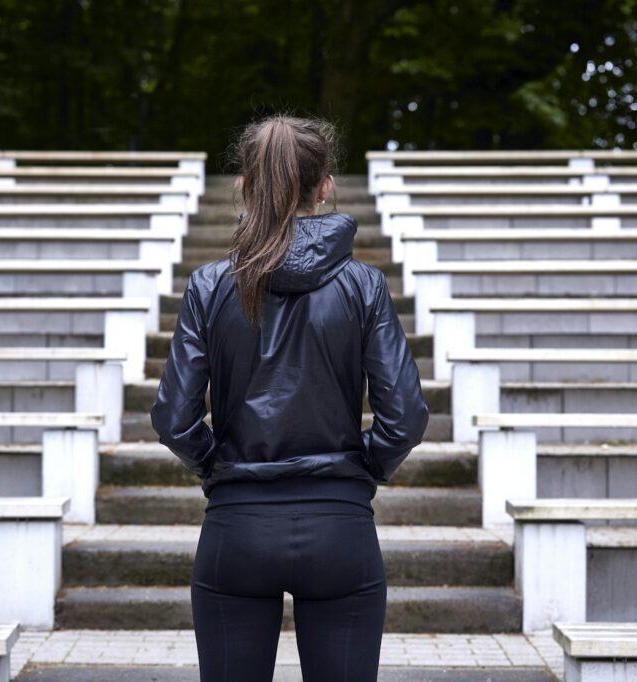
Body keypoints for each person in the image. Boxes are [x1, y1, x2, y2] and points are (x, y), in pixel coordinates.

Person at [150, 114, 429, 682]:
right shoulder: (364, 285)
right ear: (324, 185)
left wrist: (220, 467)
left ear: (247, 185)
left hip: (237, 527)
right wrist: (356, 470)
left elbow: (174, 418)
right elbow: (404, 417)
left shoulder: (210, 285)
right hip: (340, 528)